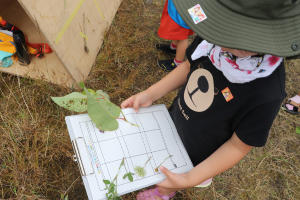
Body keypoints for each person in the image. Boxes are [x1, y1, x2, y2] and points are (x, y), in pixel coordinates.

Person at [121, 0, 300, 199]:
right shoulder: (212, 40)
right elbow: (189, 66)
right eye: (218, 25)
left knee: (171, 179)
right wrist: (151, 93)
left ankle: (167, 191)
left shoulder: (267, 92)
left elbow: (237, 145)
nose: (215, 36)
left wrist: (190, 178)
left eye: (226, 33)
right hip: (176, 120)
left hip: (201, 153)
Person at [155, 0, 194, 71]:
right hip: (184, 4)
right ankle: (174, 48)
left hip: (187, 6)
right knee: (177, 28)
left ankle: (178, 63)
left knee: (182, 34)